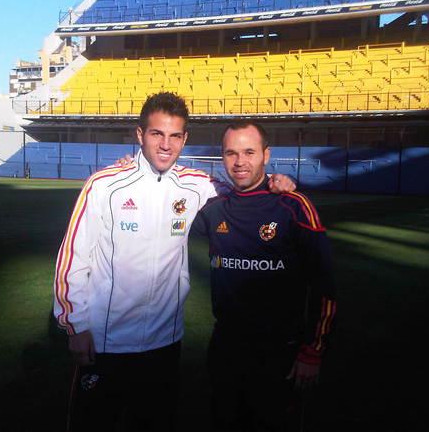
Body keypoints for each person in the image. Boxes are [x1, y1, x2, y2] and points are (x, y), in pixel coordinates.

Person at [52, 93, 295, 432]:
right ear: (140, 135)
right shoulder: (104, 186)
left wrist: (274, 183)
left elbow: (243, 187)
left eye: (175, 135)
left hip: (164, 343)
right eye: (156, 134)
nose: (166, 144)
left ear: (185, 139)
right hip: (106, 342)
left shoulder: (198, 185)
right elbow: (73, 258)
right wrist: (75, 326)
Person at [191, 121, 337, 432]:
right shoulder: (213, 209)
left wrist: (313, 351)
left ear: (266, 155)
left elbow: (325, 284)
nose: (240, 162)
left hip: (279, 352)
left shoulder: (294, 207)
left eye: (249, 152)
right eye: (231, 153)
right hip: (226, 349)